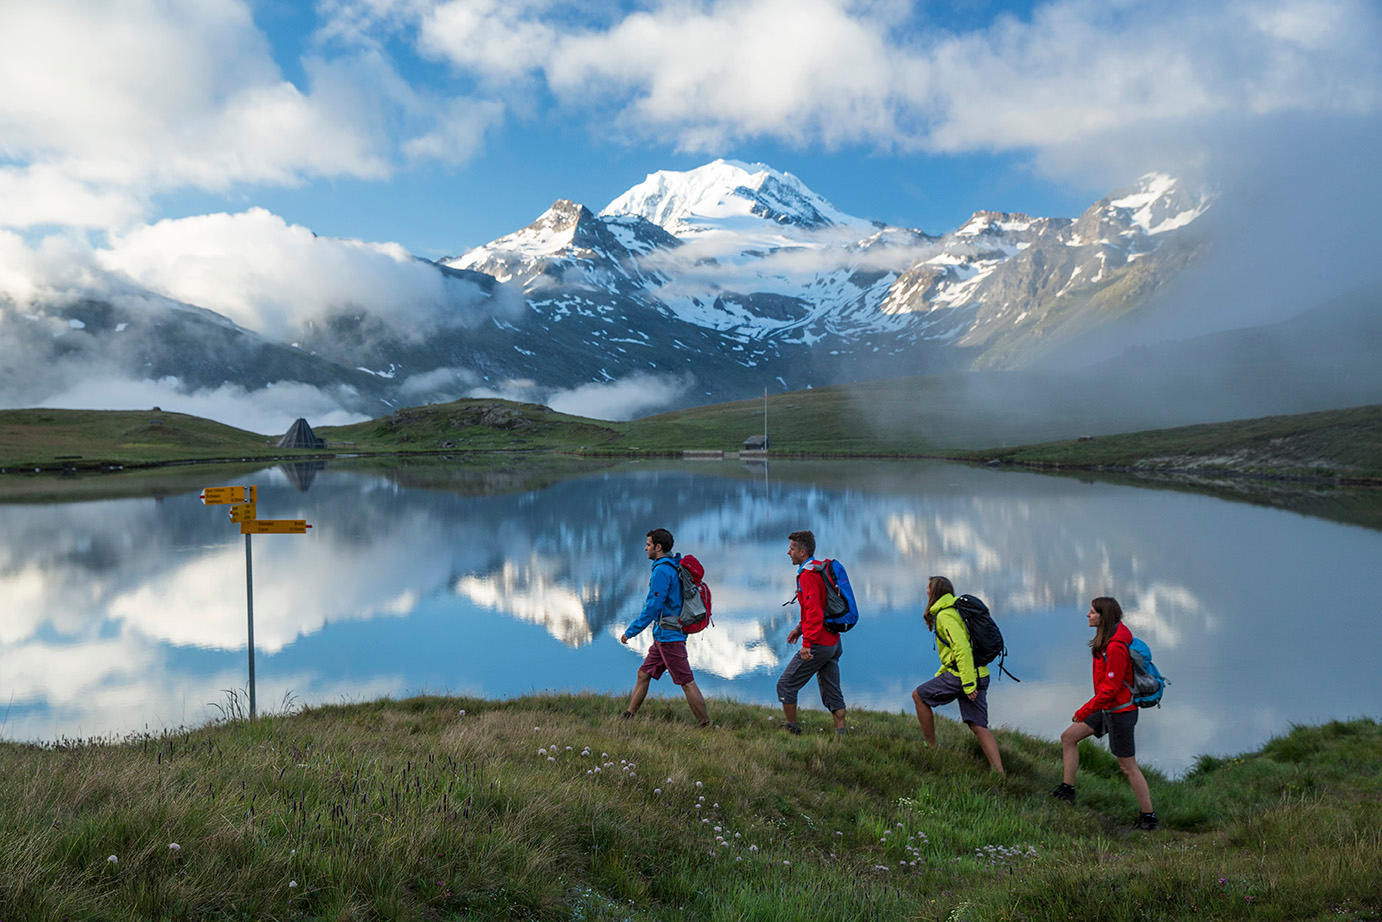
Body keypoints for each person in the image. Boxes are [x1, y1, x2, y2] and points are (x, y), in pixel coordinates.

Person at [1052, 596, 1157, 830]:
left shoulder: (1116, 646)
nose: (1087, 616)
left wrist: (1084, 710)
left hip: (1120, 712)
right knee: (1068, 737)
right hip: (1107, 708)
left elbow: (1111, 688)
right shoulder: (1108, 639)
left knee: (1128, 767)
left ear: (1103, 617)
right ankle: (1067, 790)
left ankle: (1149, 817)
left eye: (1092, 612)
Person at [911, 576, 1004, 773]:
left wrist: (968, 684)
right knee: (978, 725)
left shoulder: (945, 615)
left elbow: (961, 648)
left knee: (919, 696)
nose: (925, 590)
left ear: (934, 591)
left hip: (964, 676)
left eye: (928, 587)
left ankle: (931, 747)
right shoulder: (956, 611)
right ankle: (999, 772)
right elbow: (956, 652)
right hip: (980, 672)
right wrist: (944, 673)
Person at [619, 528, 710, 727]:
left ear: (658, 547)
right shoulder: (671, 566)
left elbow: (653, 606)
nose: (645, 548)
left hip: (670, 637)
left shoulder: (662, 570)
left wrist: (630, 632)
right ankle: (628, 716)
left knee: (686, 681)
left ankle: (705, 724)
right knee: (644, 674)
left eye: (649, 544)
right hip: (663, 636)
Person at [776, 530, 847, 736]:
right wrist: (799, 629)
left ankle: (792, 730)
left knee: (786, 684)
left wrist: (807, 643)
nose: (788, 552)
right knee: (832, 690)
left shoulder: (808, 576)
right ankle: (841, 736)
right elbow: (817, 608)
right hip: (833, 642)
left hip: (819, 643)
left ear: (803, 552)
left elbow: (814, 609)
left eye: (792, 548)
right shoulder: (819, 570)